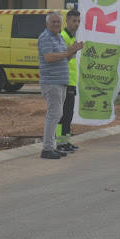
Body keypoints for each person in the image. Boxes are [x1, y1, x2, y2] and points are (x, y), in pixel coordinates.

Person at [37, 12, 82, 159]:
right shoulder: (45, 38)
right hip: (52, 82)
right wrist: (67, 52)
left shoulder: (59, 38)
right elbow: (49, 57)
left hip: (62, 82)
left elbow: (65, 58)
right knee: (53, 115)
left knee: (59, 115)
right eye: (53, 22)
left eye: (58, 22)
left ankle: (54, 146)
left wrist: (73, 52)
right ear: (47, 24)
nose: (56, 24)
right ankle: (47, 149)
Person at [56, 9, 80, 152]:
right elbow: (61, 58)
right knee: (62, 115)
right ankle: (59, 143)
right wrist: (72, 50)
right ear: (67, 21)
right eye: (74, 21)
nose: (76, 24)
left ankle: (66, 141)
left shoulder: (72, 37)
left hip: (71, 81)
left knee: (68, 115)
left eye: (78, 21)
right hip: (63, 81)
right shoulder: (63, 36)